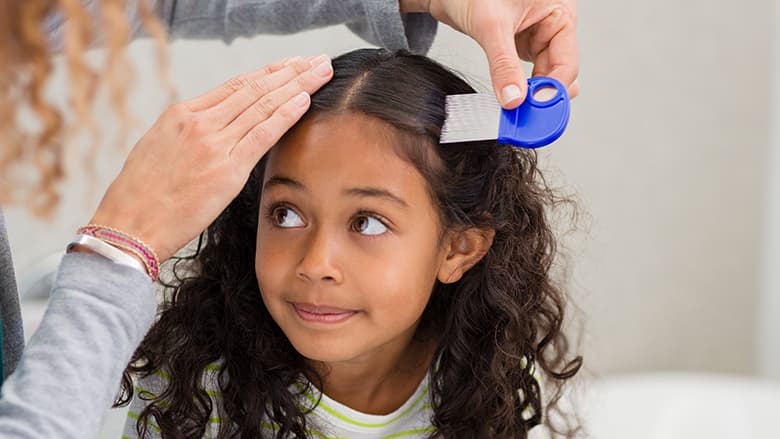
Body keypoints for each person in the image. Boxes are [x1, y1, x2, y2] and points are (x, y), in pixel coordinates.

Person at [0, 1, 579, 438]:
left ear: (459, 248)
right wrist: (117, 254)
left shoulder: (480, 374)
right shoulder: (194, 397)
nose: (317, 264)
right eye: (286, 212)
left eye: (368, 222)